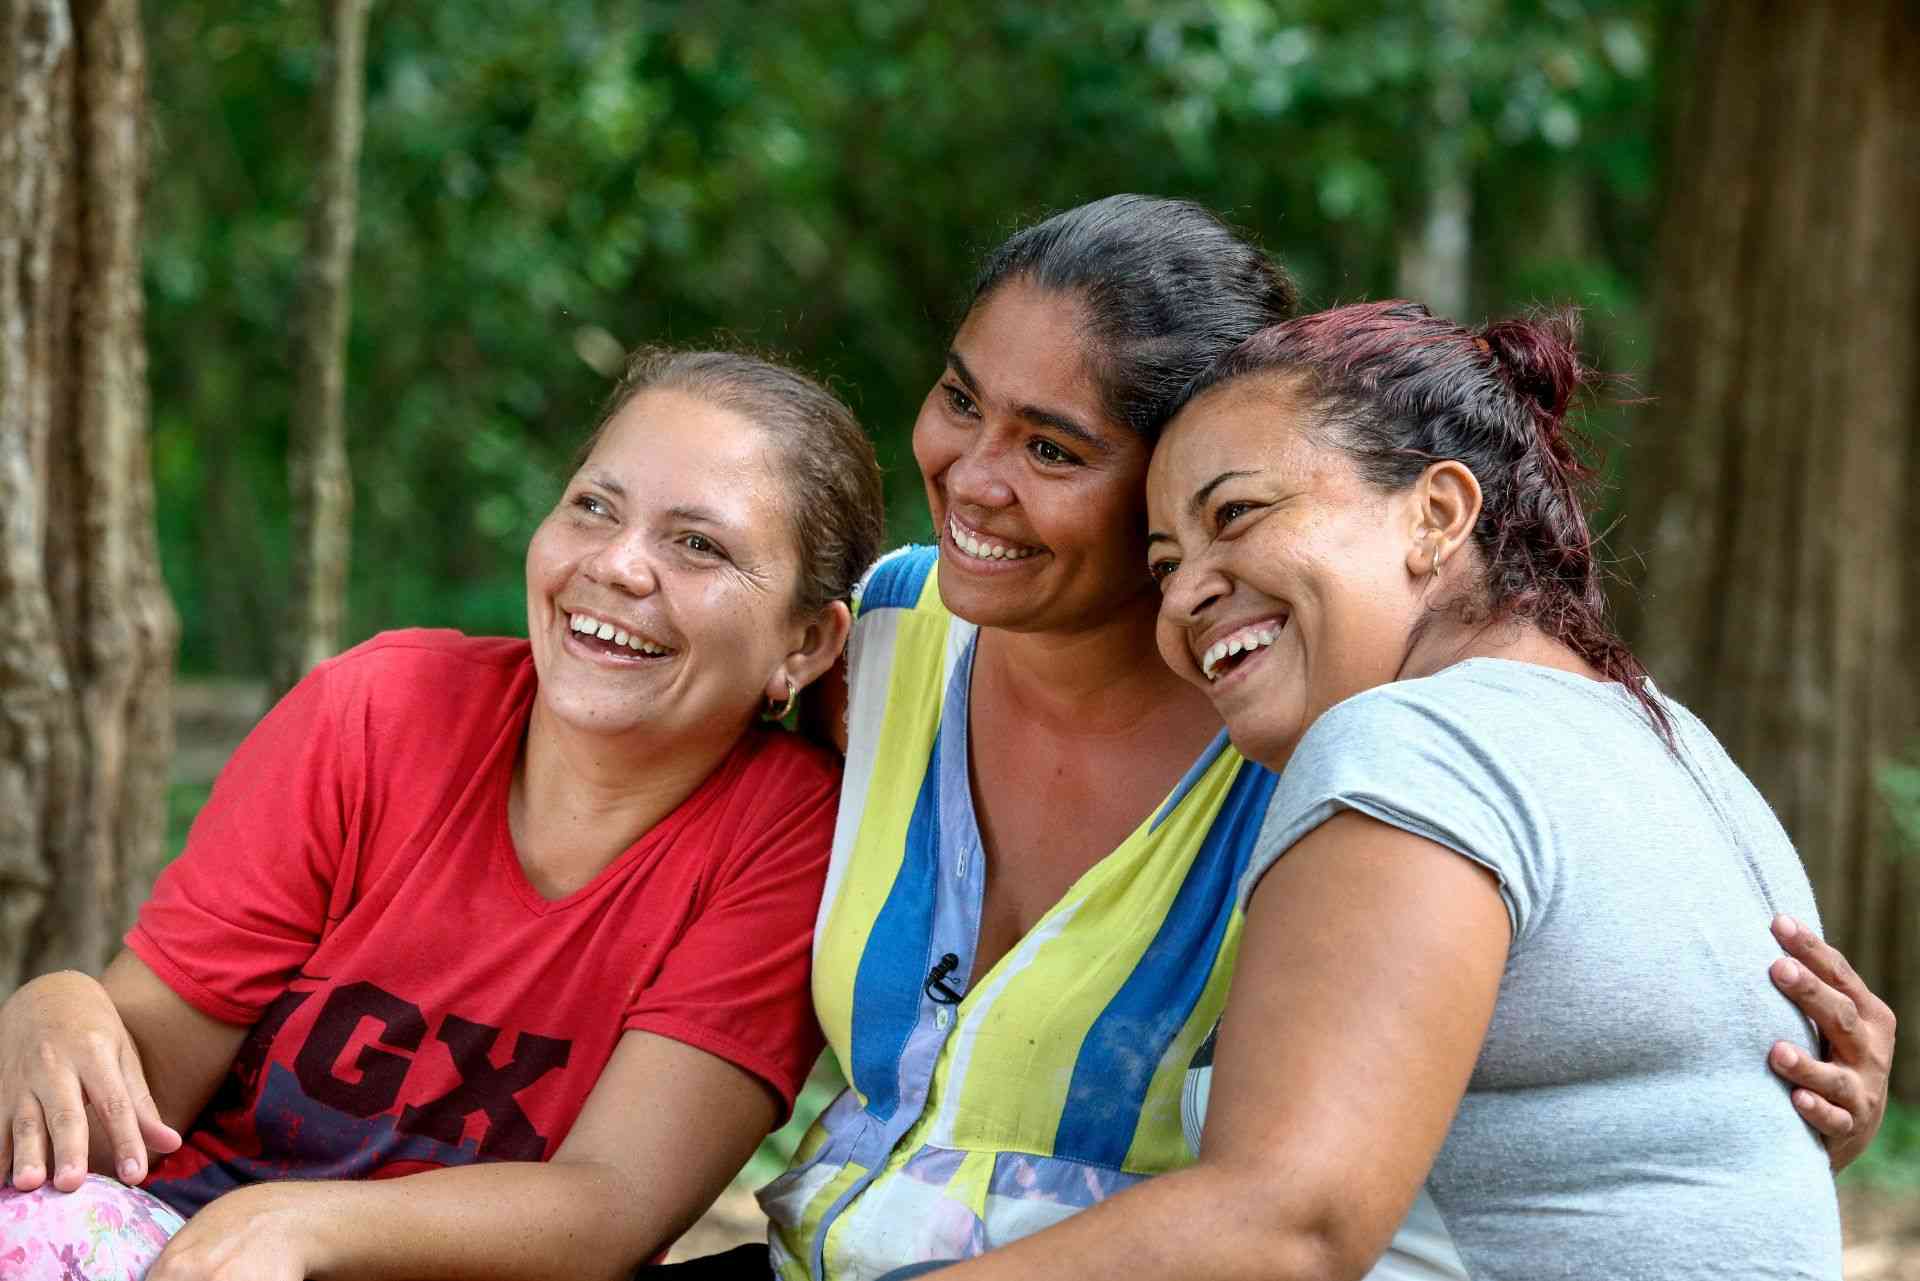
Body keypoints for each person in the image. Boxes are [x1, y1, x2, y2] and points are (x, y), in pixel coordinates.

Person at [736, 199, 1894, 1281]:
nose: (1193, 593)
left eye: (1236, 515)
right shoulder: (1666, 743)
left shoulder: (1399, 747)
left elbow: (1286, 1219)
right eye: (1169, 560)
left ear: (1438, 512)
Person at [0, 349, 886, 1280]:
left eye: (698, 544)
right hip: (167, 1243)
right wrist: (57, 1011)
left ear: (805, 643)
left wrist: (296, 1226)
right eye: (594, 506)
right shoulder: (377, 713)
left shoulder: (789, 841)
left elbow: (612, 1202)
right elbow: (142, 1106)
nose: (617, 564)